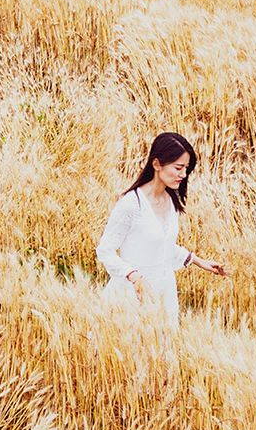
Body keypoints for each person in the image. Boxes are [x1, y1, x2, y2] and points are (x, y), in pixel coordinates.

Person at [96, 131, 229, 327]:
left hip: (163, 293)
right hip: (133, 296)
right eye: (178, 167)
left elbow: (163, 245)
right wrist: (135, 277)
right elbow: (105, 251)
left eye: (186, 169)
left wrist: (199, 262)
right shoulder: (131, 204)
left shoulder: (170, 201)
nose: (183, 175)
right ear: (157, 164)